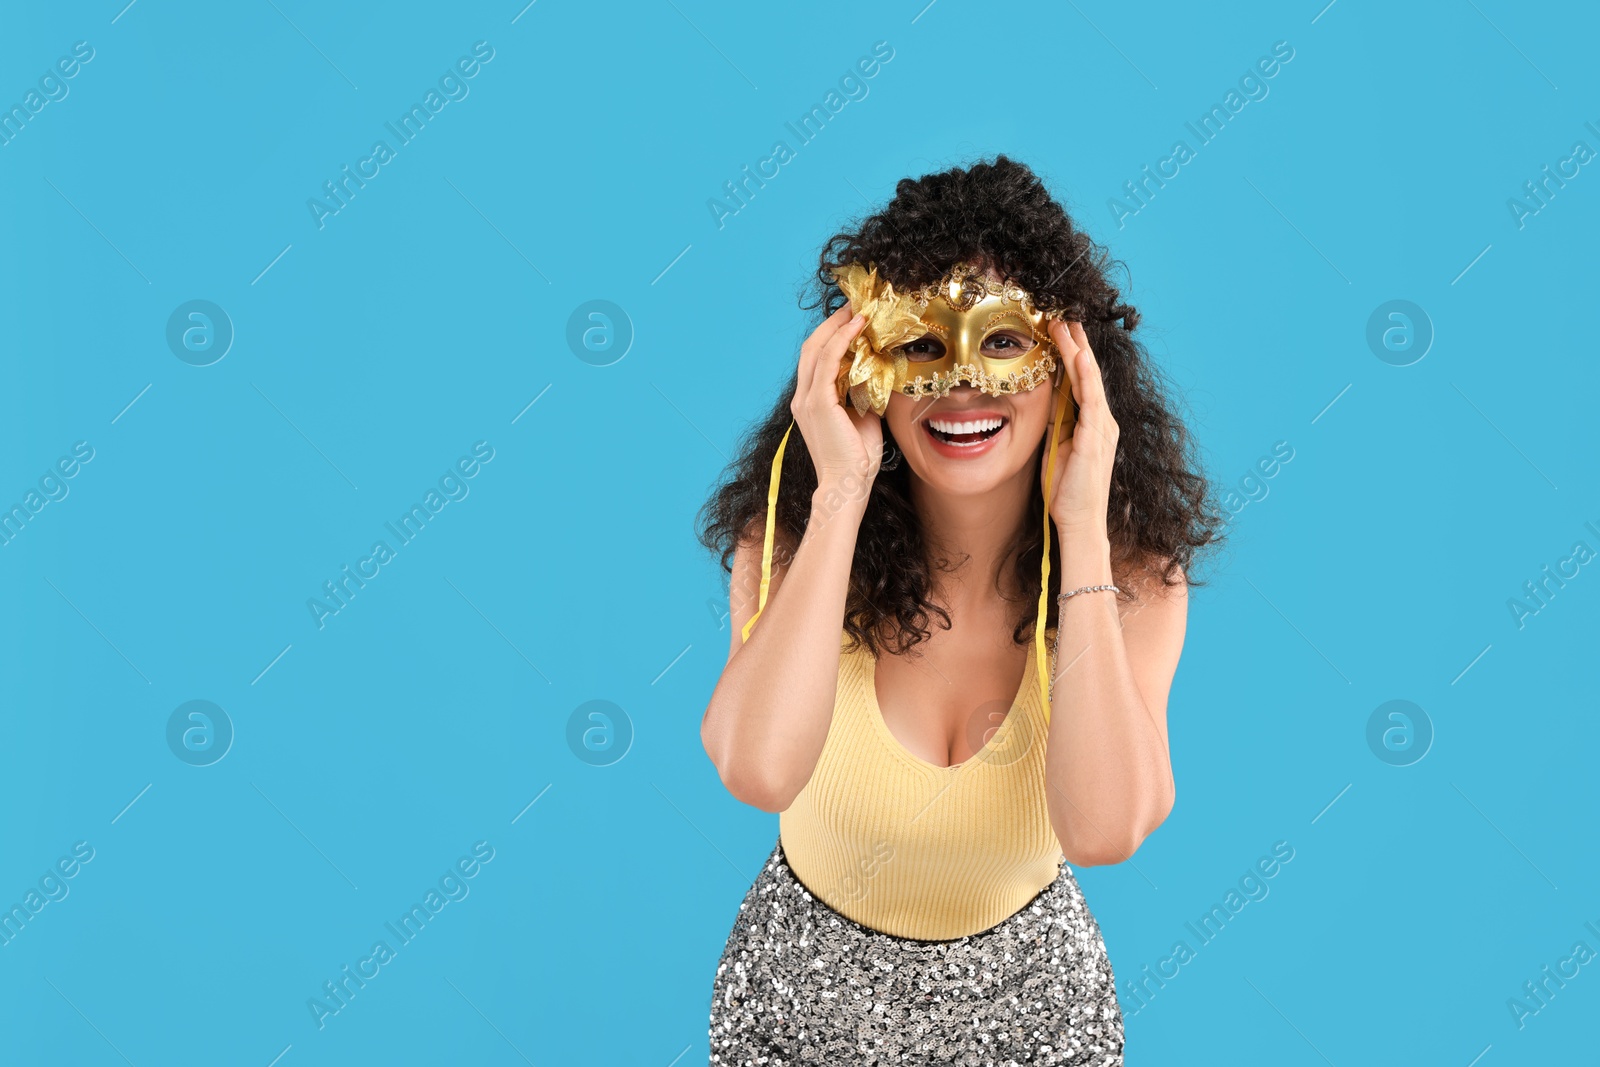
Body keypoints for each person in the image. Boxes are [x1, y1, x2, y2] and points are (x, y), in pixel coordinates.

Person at [695, 156, 1225, 1064]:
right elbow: (756, 771)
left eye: (1005, 342)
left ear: (1072, 364)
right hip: (795, 1012)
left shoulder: (1133, 578)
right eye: (921, 346)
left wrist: (1084, 527)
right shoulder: (786, 543)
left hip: (1035, 1021)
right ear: (863, 368)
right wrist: (840, 491)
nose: (965, 383)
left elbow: (1106, 830)